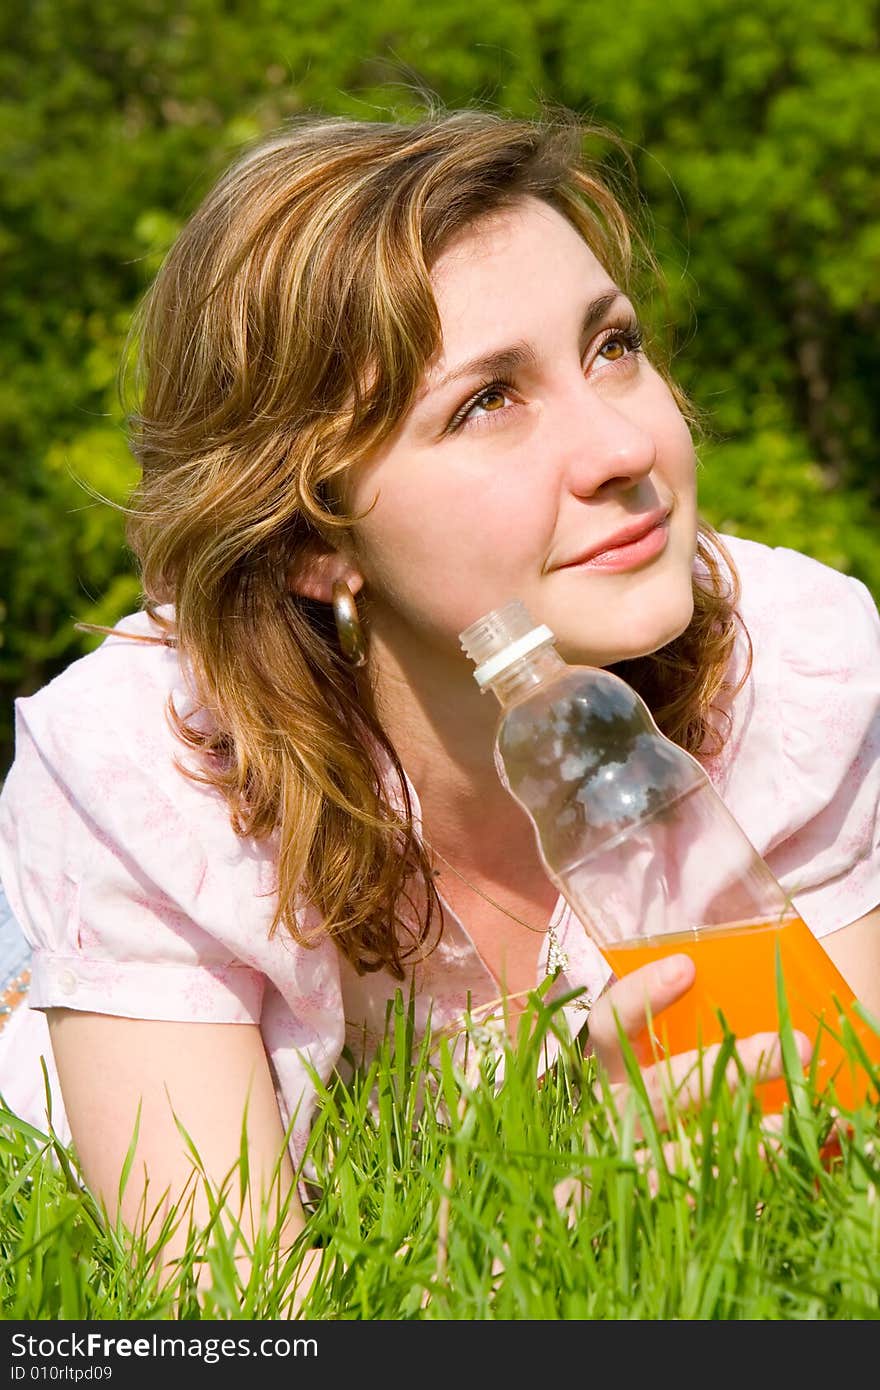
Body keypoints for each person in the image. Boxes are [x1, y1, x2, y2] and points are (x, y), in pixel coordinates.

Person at [1, 108, 879, 1305]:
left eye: (612, 346)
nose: (622, 443)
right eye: (486, 403)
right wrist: (553, 1209)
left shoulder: (792, 661)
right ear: (316, 537)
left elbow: (844, 1152)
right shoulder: (140, 766)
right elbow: (231, 1314)